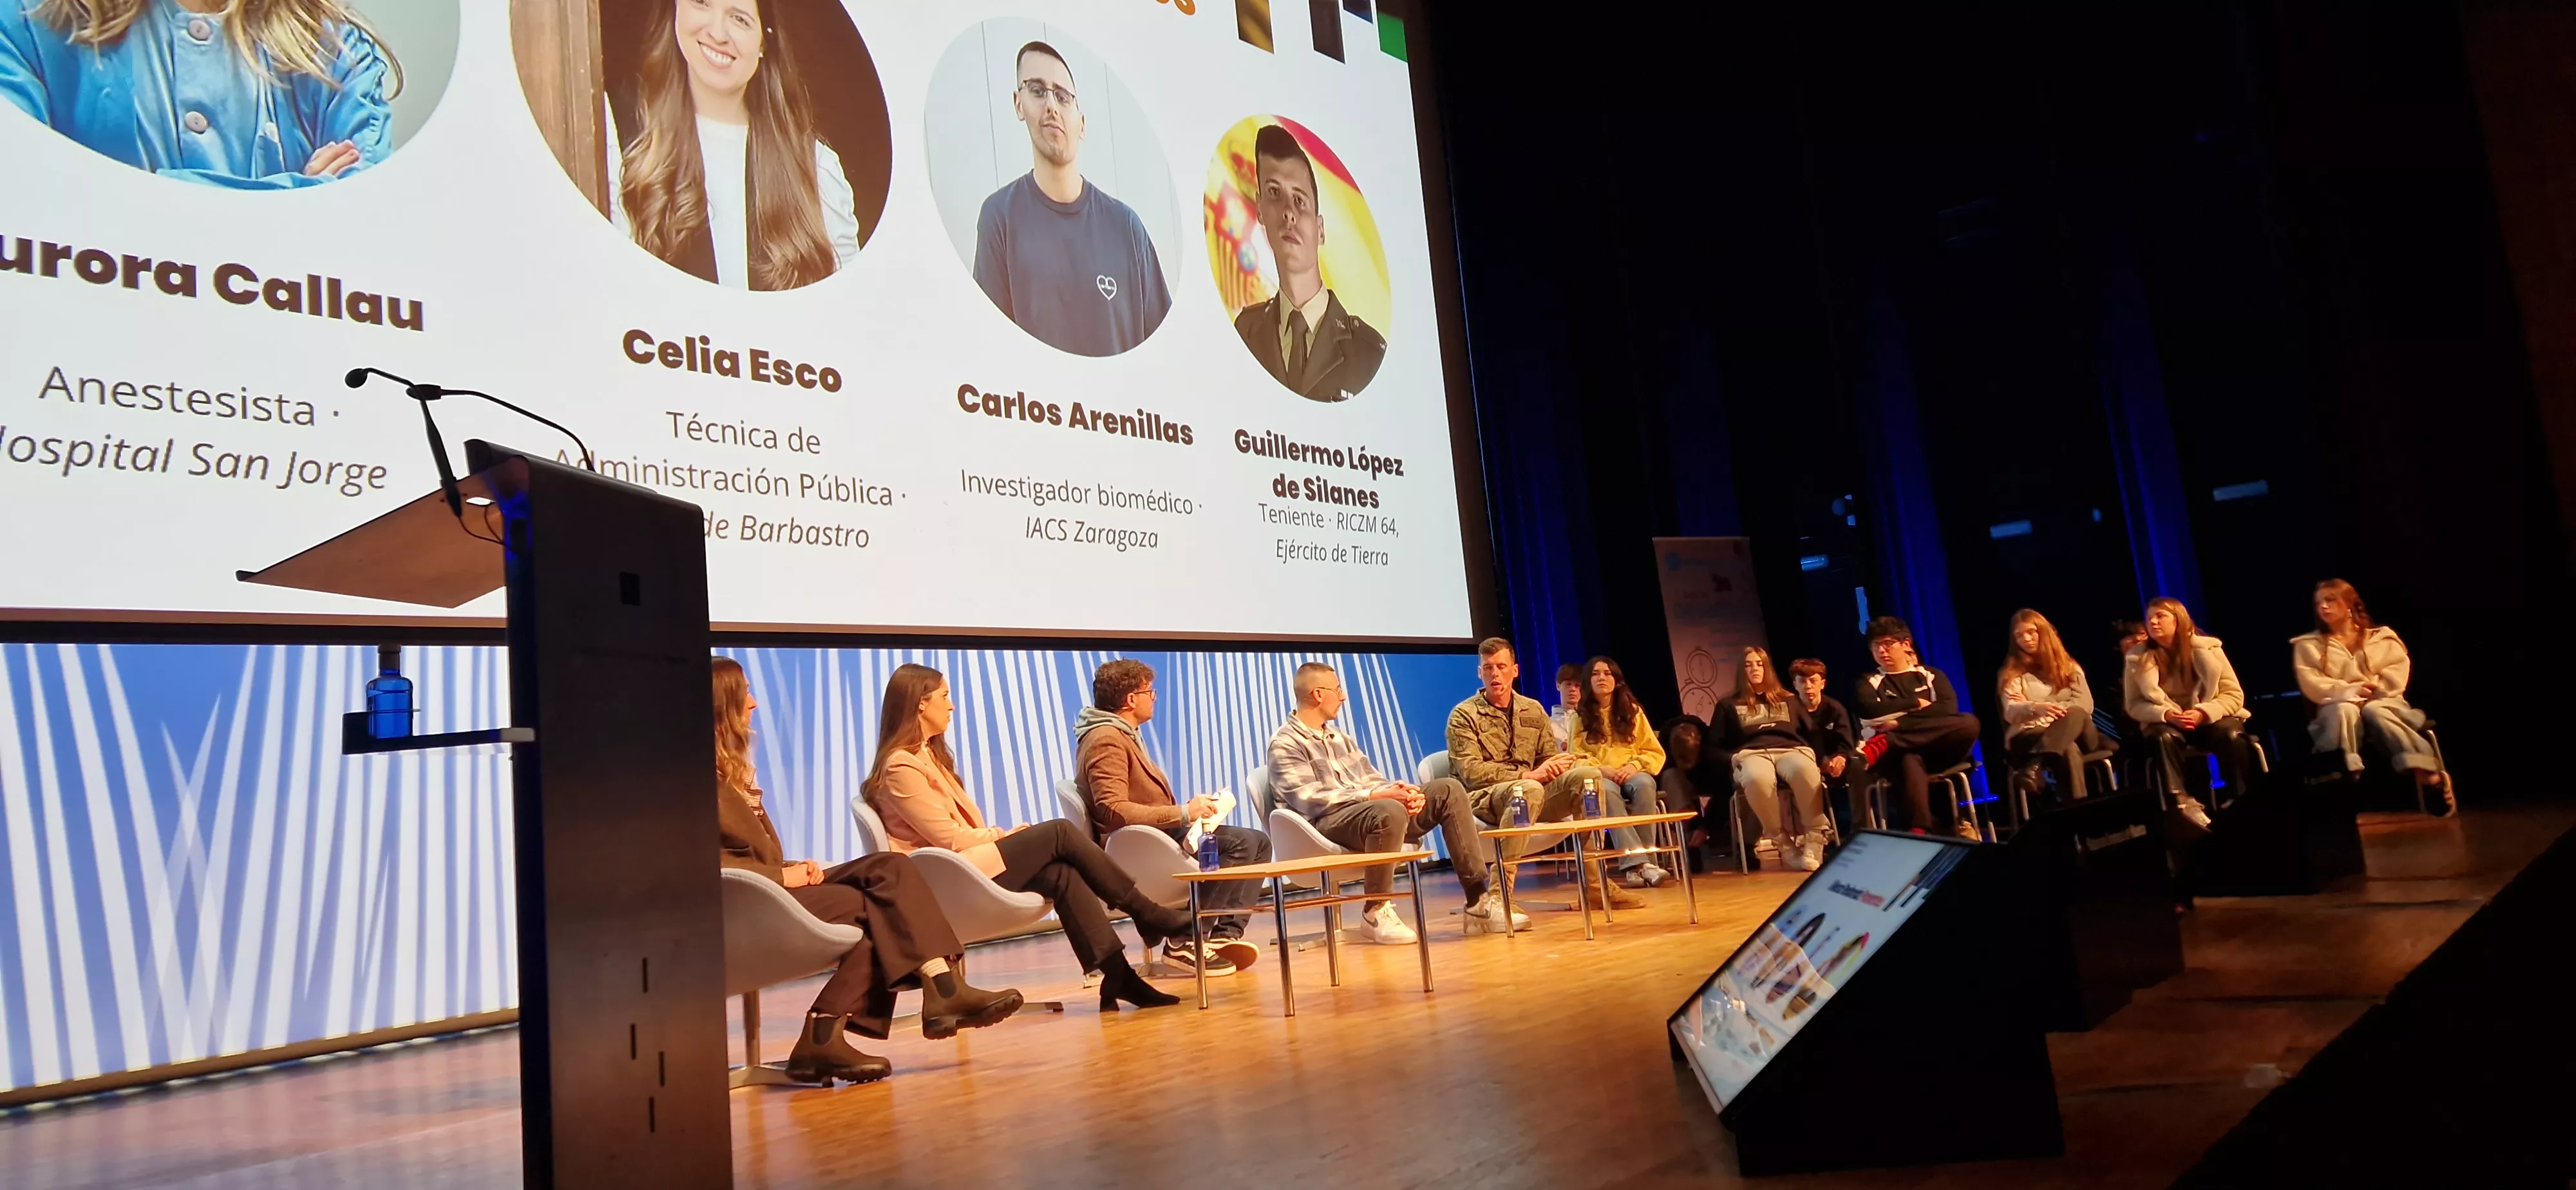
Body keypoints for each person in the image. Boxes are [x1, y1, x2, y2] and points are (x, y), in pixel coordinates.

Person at [712, 658, 1021, 1084]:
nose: (755, 703)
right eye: (745, 693)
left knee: (888, 874)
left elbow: (748, 853)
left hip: (769, 888)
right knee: (882, 896)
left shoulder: (731, 773)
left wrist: (791, 866)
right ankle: (935, 991)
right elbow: (699, 866)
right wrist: (782, 878)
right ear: (720, 704)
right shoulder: (692, 780)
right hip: (743, 905)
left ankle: (839, 1032)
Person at [863, 663, 1193, 1012]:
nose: (952, 706)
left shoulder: (928, 756)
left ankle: (1119, 976)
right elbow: (948, 839)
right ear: (920, 704)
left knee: (1062, 875)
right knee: (1059, 833)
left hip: (963, 867)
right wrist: (1003, 836)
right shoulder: (902, 765)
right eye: (945, 697)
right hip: (942, 878)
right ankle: (1145, 912)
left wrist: (1003, 838)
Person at [2, 0, 399, 189]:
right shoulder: (26, 20)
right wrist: (295, 192)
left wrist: (119, 193)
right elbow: (29, 196)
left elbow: (352, 218)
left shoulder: (334, 50)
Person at [604, 0, 860, 290]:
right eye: (701, 2)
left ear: (765, 41)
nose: (718, 32)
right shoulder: (618, 130)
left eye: (740, 19)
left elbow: (846, 309)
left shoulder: (814, 166)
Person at [1268, 661, 1524, 939]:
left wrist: (1403, 793)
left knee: (1448, 790)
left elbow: (1371, 779)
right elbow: (1308, 798)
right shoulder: (1285, 742)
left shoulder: (1338, 736)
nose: (1343, 697)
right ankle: (1375, 910)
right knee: (1387, 810)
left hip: (1372, 813)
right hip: (1323, 826)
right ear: (1318, 695)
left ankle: (1478, 903)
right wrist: (1378, 796)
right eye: (1338, 690)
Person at [972, 40, 1171, 356]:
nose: (1051, 106)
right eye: (1037, 90)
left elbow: (1166, 353)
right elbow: (990, 352)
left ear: (1082, 123)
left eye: (1063, 97)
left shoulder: (1127, 229)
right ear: (1018, 103)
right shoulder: (1000, 218)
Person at [1074, 658, 1271, 975]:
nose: (1153, 698)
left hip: (1153, 837)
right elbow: (1113, 811)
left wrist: (1190, 813)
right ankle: (1184, 940)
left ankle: (1221, 936)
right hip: (1138, 847)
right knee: (1242, 844)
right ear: (1130, 700)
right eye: (1149, 692)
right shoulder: (1106, 739)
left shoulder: (1122, 733)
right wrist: (1182, 813)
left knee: (1258, 843)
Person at [1446, 638, 1649, 911]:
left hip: (1537, 794)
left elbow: (1546, 759)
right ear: (1479, 672)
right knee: (1525, 791)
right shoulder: (1463, 715)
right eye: (1488, 667)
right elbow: (1471, 773)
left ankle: (1594, 886)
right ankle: (1500, 895)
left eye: (1502, 667)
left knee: (1588, 777)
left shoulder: (1533, 709)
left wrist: (1557, 765)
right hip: (1483, 800)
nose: (1495, 674)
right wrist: (1529, 775)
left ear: (1515, 671)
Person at [1230, 123, 1385, 401]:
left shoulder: (1369, 353)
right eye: (1275, 193)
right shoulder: (1245, 334)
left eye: (1300, 201)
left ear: (1321, 229)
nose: (1289, 212)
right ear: (1260, 209)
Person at [2291, 579, 2452, 815]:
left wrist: (2372, 689)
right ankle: (2339, 778)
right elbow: (2313, 684)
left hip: (2383, 702)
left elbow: (2397, 673)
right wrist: (2350, 692)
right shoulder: (2308, 646)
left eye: (2330, 600)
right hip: (2336, 707)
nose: (2323, 607)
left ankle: (2429, 777)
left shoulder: (2381, 637)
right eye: (2318, 603)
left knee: (2375, 710)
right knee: (2343, 711)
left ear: (2348, 605)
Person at [1852, 617, 1983, 840]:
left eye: (1887, 644)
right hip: (1895, 757)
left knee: (1968, 722)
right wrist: (1914, 704)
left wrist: (1897, 725)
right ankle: (1921, 831)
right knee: (1910, 757)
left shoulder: (1931, 675)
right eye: (1875, 646)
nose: (1881, 651)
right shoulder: (1869, 680)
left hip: (1936, 750)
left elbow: (1947, 710)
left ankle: (1888, 740)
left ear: (1905, 645)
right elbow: (1868, 711)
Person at [2122, 598, 2240, 828]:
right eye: (2150, 618)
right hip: (2169, 722)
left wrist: (2204, 713)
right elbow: (2134, 705)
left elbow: (2234, 695)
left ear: (2179, 619)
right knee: (2161, 738)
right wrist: (2166, 714)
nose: (2153, 623)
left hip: (2207, 718)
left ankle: (2239, 798)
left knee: (2231, 734)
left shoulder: (2209, 649)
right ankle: (2183, 804)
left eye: (2160, 616)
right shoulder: (2137, 658)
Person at [1568, 656, 1678, 887]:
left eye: (1607, 673)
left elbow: (1653, 751)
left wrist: (1634, 766)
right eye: (1596, 674)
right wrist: (1601, 769)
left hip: (1632, 770)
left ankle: (1640, 865)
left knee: (1646, 784)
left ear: (1617, 680)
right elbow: (1574, 757)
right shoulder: (1579, 717)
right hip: (1600, 774)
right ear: (1588, 681)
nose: (1602, 678)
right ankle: (1643, 864)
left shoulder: (1634, 712)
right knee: (1605, 791)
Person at [1716, 648, 1830, 871]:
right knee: (1756, 777)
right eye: (1749, 664)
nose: (1755, 669)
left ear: (1767, 668)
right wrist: (1732, 759)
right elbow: (1714, 745)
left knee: (1804, 770)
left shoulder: (1789, 699)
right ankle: (1782, 842)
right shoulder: (1728, 705)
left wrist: (1821, 757)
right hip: (1753, 753)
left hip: (1791, 749)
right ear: (1741, 670)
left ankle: (1815, 837)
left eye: (1759, 664)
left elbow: (1812, 732)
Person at [1998, 609, 2097, 806]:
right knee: (2068, 749)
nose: (2025, 639)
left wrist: (2046, 710)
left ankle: (2036, 764)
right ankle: (2079, 817)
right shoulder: (2012, 673)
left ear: (2043, 632)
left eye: (2031, 632)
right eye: (2019, 636)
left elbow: (2085, 705)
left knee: (2076, 713)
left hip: (2080, 731)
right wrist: (2036, 708)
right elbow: (2011, 711)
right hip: (2032, 734)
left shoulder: (2069, 667)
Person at [1788, 658, 1867, 836]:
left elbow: (1847, 739)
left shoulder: (1835, 708)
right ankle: (1821, 833)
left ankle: (1860, 829)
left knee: (1857, 766)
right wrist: (1819, 761)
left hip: (1835, 762)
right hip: (1806, 763)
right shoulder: (1789, 711)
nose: (1808, 686)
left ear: (1822, 684)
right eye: (1802, 681)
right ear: (1795, 685)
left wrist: (1841, 757)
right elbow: (1791, 744)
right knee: (1804, 772)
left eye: (1813, 681)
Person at [1548, 662, 1585, 751]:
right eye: (1568, 684)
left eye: (1577, 686)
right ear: (1558, 686)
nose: (1572, 689)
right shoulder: (1548, 724)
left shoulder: (1591, 721)